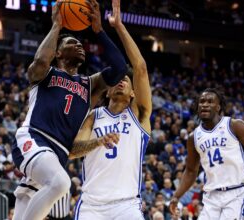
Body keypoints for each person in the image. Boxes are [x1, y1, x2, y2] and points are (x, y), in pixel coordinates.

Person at [11, 0, 128, 219]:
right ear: (58, 52)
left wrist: (99, 31)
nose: (79, 46)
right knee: (61, 183)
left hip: (58, 156)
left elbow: (120, 68)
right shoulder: (45, 73)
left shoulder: (90, 85)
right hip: (34, 139)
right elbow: (40, 59)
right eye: (72, 42)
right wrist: (56, 25)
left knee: (53, 201)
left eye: (80, 44)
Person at [70, 0, 152, 218]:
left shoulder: (139, 115)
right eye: (117, 79)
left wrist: (118, 27)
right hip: (91, 205)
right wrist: (99, 141)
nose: (121, 81)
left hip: (126, 205)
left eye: (126, 80)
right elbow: (73, 151)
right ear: (106, 92)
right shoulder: (93, 116)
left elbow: (141, 68)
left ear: (133, 92)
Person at [169, 88, 244, 219]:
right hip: (211, 197)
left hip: (237, 192)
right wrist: (176, 196)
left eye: (210, 102)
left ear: (218, 107)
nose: (204, 104)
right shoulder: (194, 137)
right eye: (202, 102)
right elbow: (191, 171)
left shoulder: (235, 126)